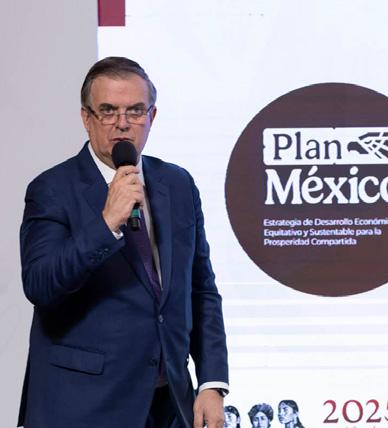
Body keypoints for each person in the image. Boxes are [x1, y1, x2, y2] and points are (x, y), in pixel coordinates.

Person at [17, 56, 229, 428]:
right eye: (108, 111)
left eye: (135, 110)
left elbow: (201, 289)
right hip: (83, 406)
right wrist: (105, 223)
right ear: (86, 118)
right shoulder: (52, 188)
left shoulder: (177, 184)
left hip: (169, 403)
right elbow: (40, 284)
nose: (122, 123)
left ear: (152, 116)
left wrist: (212, 382)